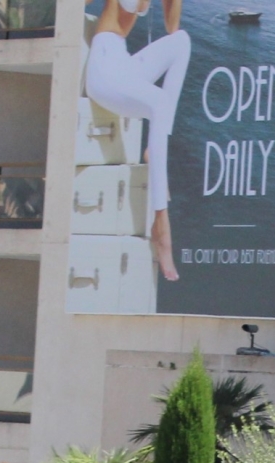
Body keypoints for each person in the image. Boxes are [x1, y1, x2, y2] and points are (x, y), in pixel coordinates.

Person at [83, 0, 189, 282]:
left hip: (122, 62)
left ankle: (156, 146)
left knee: (182, 41)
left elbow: (172, 26)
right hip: (103, 66)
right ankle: (161, 224)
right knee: (158, 102)